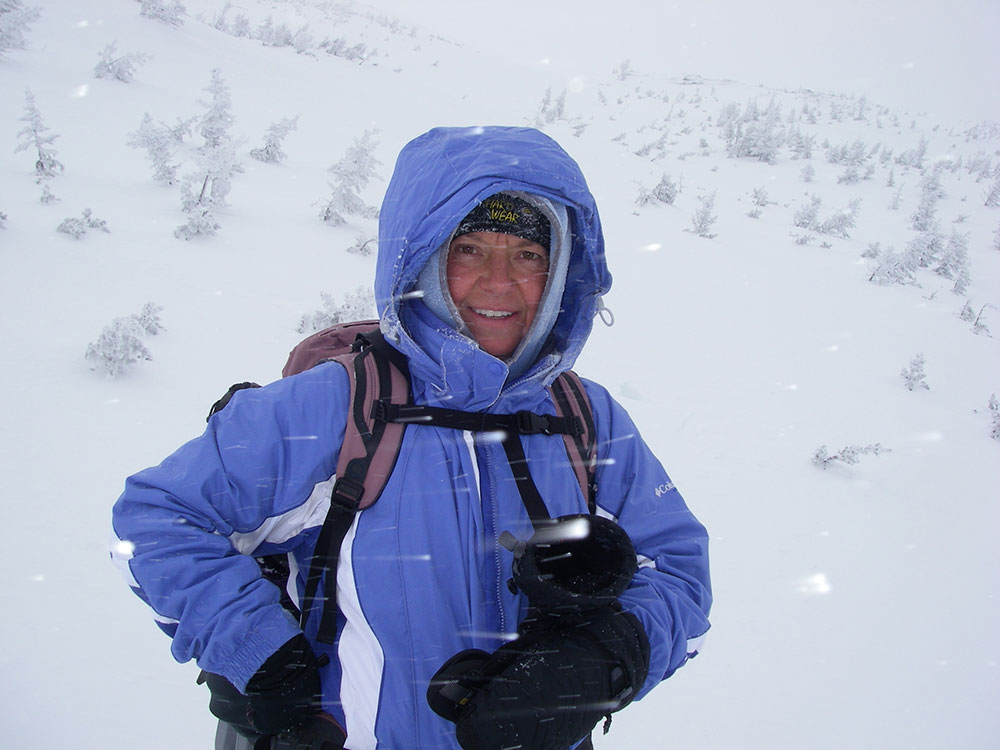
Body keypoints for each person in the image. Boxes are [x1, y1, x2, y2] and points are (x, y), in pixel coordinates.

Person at [111, 125, 712, 750]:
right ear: (420, 259)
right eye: (469, 249)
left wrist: (603, 657)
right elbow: (157, 519)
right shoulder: (336, 404)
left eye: (529, 255)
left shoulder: (587, 417)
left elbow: (677, 567)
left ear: (561, 271)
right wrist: (259, 657)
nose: (500, 282)